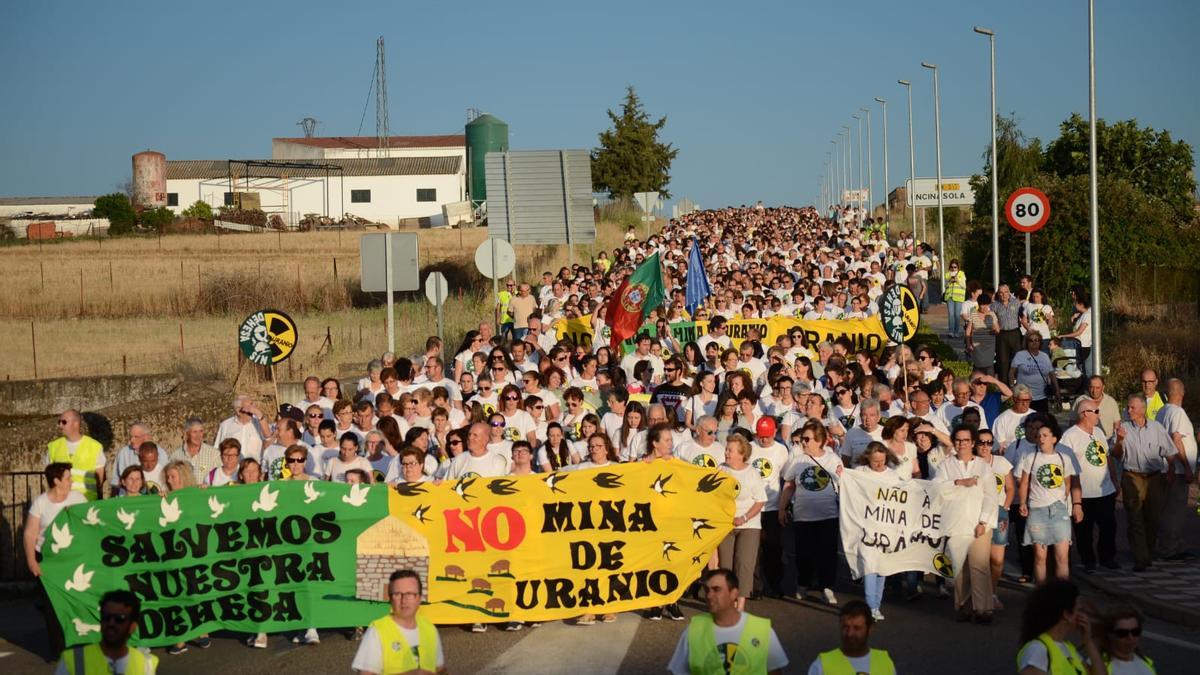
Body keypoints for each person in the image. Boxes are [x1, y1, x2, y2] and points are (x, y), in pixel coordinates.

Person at [1111, 394, 1186, 571]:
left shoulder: (1156, 428)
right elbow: (1115, 454)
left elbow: (1168, 450)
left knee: (1152, 518)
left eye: (1132, 408)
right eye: (1128, 407)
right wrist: (1120, 439)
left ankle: (1147, 552)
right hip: (1132, 476)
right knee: (1135, 517)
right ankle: (1141, 558)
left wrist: (1171, 469)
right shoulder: (1123, 428)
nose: (1128, 410)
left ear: (1143, 410)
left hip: (1154, 477)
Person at [667, 568, 788, 675]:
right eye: (707, 590)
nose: (709, 595)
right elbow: (679, 671)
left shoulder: (762, 631)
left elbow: (775, 671)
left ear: (734, 593)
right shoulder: (694, 630)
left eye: (716, 590)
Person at [934, 425, 998, 623]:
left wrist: (983, 521)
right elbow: (937, 488)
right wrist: (960, 482)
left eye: (966, 440)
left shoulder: (982, 466)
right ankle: (963, 606)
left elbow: (990, 496)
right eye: (958, 440)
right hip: (955, 523)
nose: (962, 444)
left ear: (972, 443)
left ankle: (983, 608)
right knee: (959, 568)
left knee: (979, 566)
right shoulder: (946, 465)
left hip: (979, 524)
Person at [25, 463, 86, 658]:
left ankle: (82, 642)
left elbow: (91, 521)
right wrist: (31, 561)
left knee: (77, 602)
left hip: (73, 559)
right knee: (52, 606)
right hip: (49, 561)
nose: (72, 481)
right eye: (68, 478)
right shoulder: (41, 502)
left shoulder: (78, 498)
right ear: (57, 481)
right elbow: (30, 533)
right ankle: (60, 651)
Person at [780, 420, 843, 606]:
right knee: (804, 553)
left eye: (807, 439)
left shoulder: (833, 459)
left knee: (827, 554)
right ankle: (803, 583)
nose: (803, 443)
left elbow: (844, 483)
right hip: (803, 517)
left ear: (819, 440)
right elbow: (789, 485)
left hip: (828, 515)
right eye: (801, 440)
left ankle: (827, 587)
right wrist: (782, 508)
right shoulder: (798, 461)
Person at [1018, 420, 1084, 584]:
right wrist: (1022, 503)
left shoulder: (1064, 458)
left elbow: (1068, 482)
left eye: (1045, 436)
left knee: (1062, 556)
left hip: (1058, 510)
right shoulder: (1030, 457)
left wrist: (1069, 503)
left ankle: (1062, 594)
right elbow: (1025, 482)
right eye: (1039, 436)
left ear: (1054, 439)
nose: (1041, 439)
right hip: (1037, 509)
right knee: (1040, 557)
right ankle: (1041, 594)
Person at [352, 569, 446, 675]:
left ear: (419, 598)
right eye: (397, 594)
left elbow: (440, 670)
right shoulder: (377, 631)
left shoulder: (430, 629)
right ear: (390, 599)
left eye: (410, 594)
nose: (404, 600)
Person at [1061, 402, 1119, 572]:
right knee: (1084, 530)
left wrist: (1115, 479)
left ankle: (1107, 557)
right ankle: (1088, 561)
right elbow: (1065, 465)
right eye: (1096, 411)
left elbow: (1107, 457)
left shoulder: (1099, 432)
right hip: (1083, 493)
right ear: (1085, 413)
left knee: (1109, 525)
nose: (1098, 415)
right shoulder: (1070, 436)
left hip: (1105, 489)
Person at [54, 589, 158, 675]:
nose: (111, 623)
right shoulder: (72, 660)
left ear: (132, 626)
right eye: (106, 617)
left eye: (119, 619)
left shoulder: (146, 664)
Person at [717, 435, 767, 610]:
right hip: (726, 525)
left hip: (749, 525)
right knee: (726, 564)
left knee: (744, 563)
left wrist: (744, 518)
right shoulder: (721, 469)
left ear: (741, 454)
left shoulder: (752, 473)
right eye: (726, 449)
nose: (726, 453)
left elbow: (760, 500)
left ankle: (740, 605)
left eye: (730, 450)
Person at [854, 442, 902, 622]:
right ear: (868, 459)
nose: (879, 464)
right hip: (866, 527)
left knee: (882, 568)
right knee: (869, 566)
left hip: (886, 528)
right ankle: (870, 606)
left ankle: (876, 606)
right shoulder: (860, 472)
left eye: (882, 461)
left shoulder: (892, 476)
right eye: (875, 461)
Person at [1016, 580, 1104, 675]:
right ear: (1066, 614)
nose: (1082, 616)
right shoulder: (1037, 650)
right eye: (1079, 610)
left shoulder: (1068, 648)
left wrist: (1088, 641)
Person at [1156, 378, 1197, 561]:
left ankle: (1175, 544)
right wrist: (1186, 466)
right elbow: (1176, 438)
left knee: (1166, 509)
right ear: (1182, 392)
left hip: (1165, 469)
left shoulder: (1162, 412)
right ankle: (1169, 548)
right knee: (1175, 511)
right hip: (1177, 470)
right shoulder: (1178, 412)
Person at [809, 600, 896, 675]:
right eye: (845, 627)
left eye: (857, 628)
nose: (850, 634)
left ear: (869, 629)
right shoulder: (822, 665)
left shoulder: (885, 663)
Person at [45, 410, 106, 501]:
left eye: (64, 422)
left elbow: (99, 478)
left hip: (86, 502)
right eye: (59, 422)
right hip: (61, 502)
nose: (60, 425)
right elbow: (49, 477)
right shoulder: (53, 447)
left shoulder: (95, 446)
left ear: (76, 424)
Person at [1098, 606, 1156, 675]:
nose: (1130, 637)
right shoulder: (1098, 665)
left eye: (1135, 632)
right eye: (1123, 633)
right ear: (1110, 635)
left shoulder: (1147, 663)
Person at [1010, 332, 1057, 413]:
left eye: (1037, 340)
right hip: (1024, 398)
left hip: (1042, 397)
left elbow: (1052, 374)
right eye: (1031, 340)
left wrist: (1057, 391)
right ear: (1027, 343)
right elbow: (1011, 373)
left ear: (1040, 342)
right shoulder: (1020, 355)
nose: (1034, 342)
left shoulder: (1045, 356)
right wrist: (1012, 388)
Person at [171, 417, 220, 485]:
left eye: (201, 431)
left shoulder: (214, 454)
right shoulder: (175, 456)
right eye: (195, 432)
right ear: (186, 434)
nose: (199, 436)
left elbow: (219, 480)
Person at [964, 292, 999, 375]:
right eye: (982, 305)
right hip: (977, 347)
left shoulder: (992, 315)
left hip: (989, 346)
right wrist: (969, 344)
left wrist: (995, 331)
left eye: (987, 305)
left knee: (989, 367)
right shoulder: (973, 315)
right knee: (978, 367)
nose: (985, 307)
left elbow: (997, 329)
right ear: (978, 304)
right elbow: (968, 331)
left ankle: (990, 385)